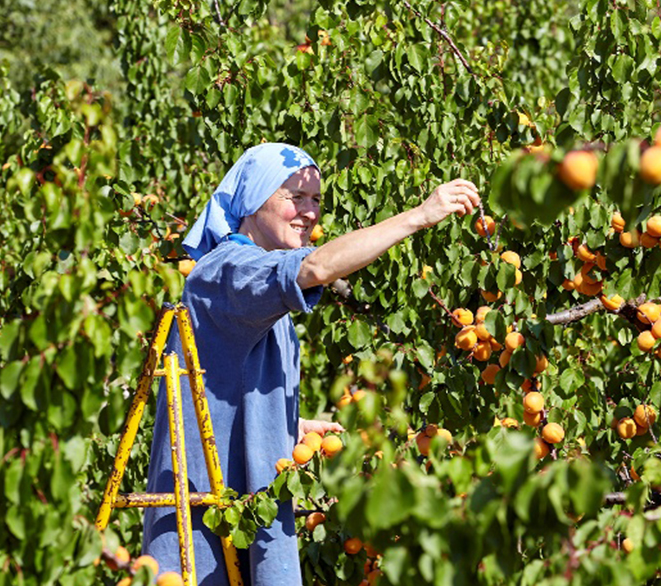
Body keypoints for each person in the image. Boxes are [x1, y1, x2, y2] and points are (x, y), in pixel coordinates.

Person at [142, 143, 480, 585]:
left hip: (236, 511)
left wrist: (284, 425)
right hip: (207, 521)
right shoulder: (228, 271)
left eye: (316, 200)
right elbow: (316, 268)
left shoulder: (259, 286)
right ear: (252, 200)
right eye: (294, 197)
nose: (309, 212)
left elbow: (225, 380)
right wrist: (419, 214)